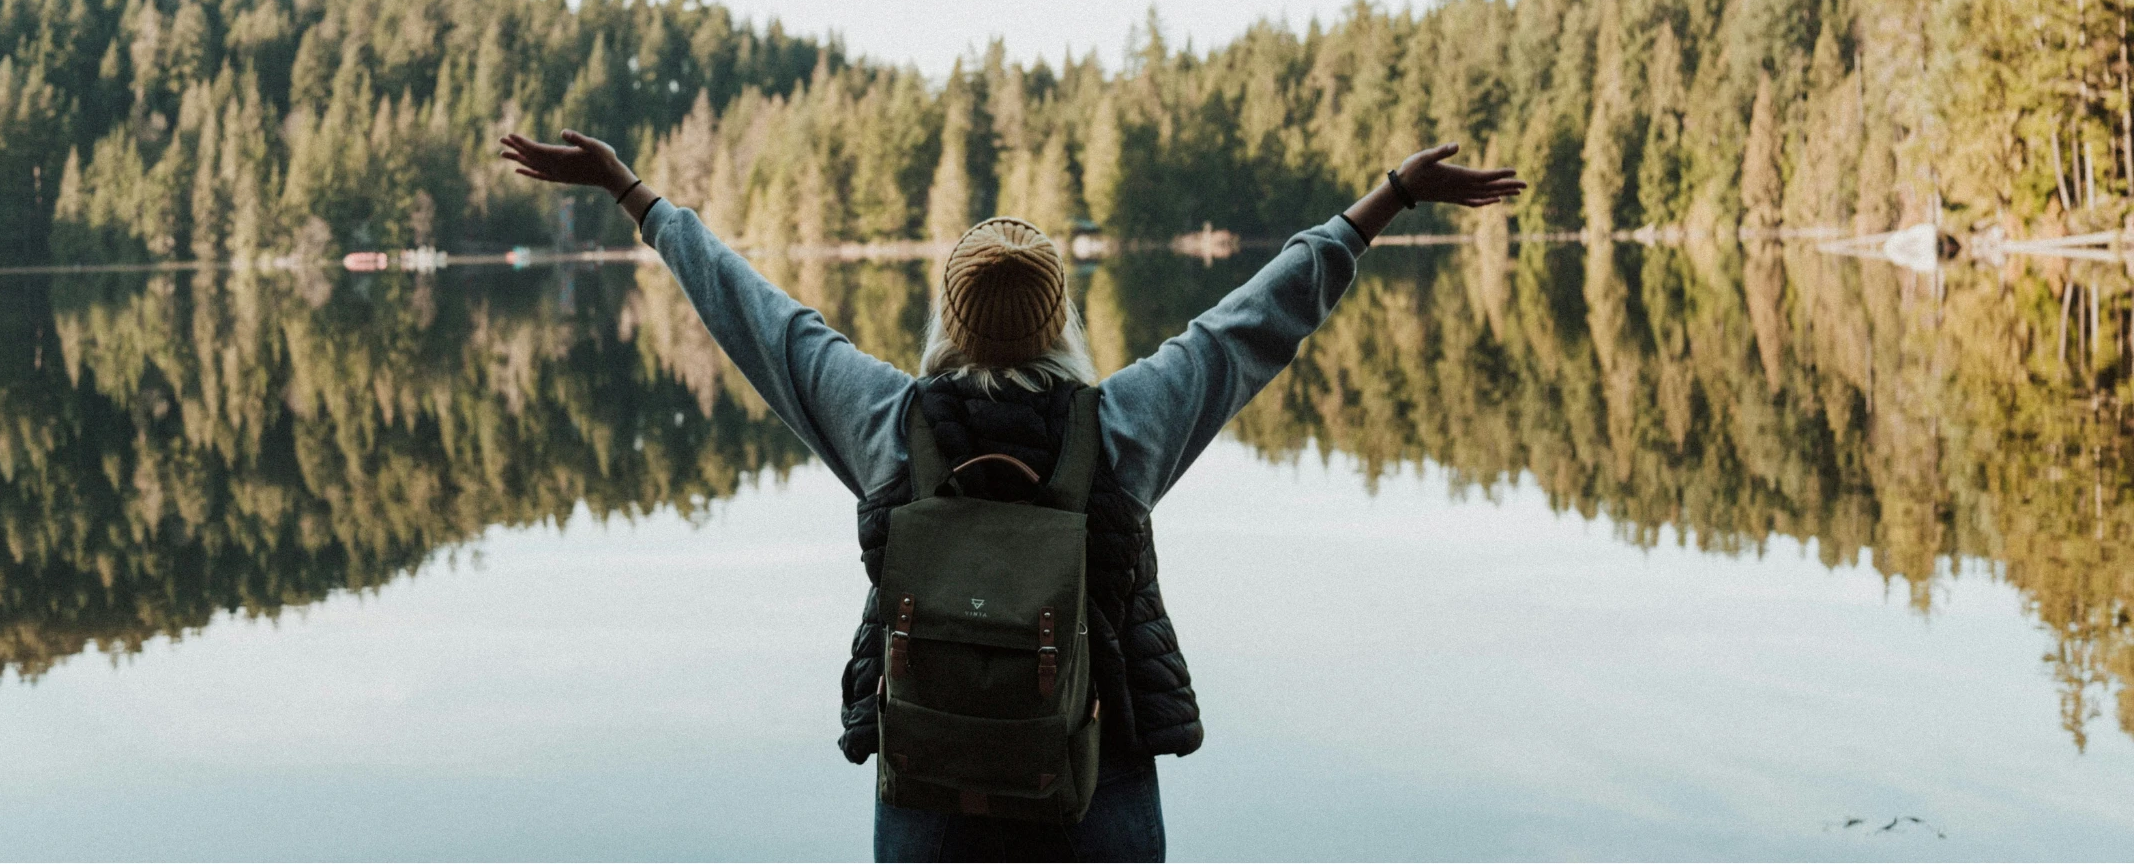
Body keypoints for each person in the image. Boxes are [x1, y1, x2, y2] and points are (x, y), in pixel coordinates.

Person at [500, 128, 1524, 863]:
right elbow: (1257, 318)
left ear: (947, 319)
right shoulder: (1121, 428)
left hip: (930, 774)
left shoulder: (885, 424)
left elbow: (753, 313)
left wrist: (631, 192)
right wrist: (1391, 194)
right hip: (1094, 774)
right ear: (1060, 319)